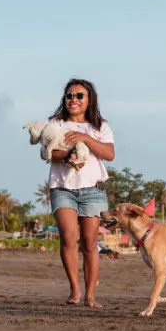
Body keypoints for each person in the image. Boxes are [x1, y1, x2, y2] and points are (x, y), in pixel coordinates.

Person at [45, 78, 115, 308]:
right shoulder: (55, 123)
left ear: (89, 99)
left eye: (79, 96)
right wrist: (66, 156)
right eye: (69, 95)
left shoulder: (99, 126)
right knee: (67, 237)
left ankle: (90, 295)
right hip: (62, 187)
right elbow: (46, 152)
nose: (73, 99)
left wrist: (85, 138)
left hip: (93, 190)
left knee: (90, 242)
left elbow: (109, 154)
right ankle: (75, 290)